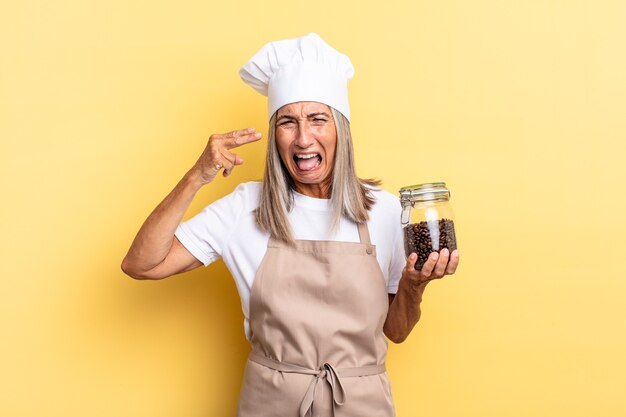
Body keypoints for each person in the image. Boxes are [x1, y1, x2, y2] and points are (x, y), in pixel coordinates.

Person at [122, 33, 459, 417]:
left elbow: (396, 332)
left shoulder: (384, 211)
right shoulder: (244, 207)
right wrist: (197, 176)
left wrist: (414, 287)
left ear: (340, 131)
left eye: (318, 119)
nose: (303, 138)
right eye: (287, 122)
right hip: (271, 403)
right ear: (274, 136)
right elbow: (141, 264)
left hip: (362, 406)